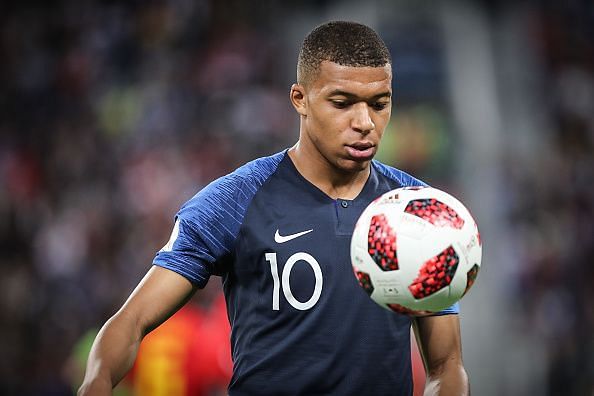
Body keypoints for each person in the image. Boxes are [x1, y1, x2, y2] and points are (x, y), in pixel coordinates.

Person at [79, 21, 469, 395]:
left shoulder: (419, 212)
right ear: (300, 99)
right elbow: (131, 321)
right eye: (342, 103)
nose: (365, 122)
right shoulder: (235, 200)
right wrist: (96, 382)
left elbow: (446, 366)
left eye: (379, 104)